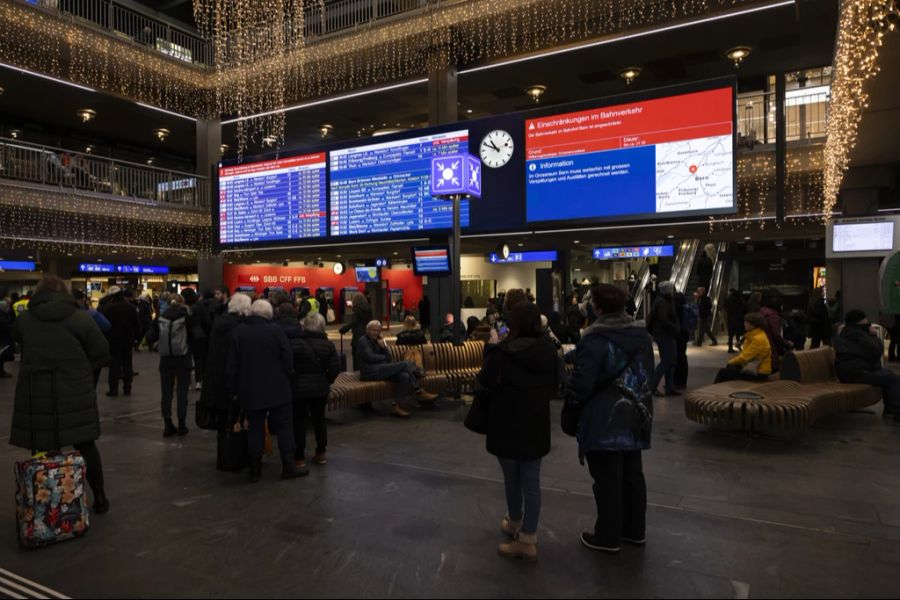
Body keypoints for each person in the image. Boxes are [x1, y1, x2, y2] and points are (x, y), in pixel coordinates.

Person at [10, 276, 111, 514]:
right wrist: (82, 370)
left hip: (37, 391)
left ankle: (46, 501)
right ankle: (99, 496)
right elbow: (102, 351)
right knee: (86, 444)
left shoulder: (25, 319)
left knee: (42, 446)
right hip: (74, 391)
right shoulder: (80, 318)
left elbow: (17, 341)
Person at [565, 284, 653, 554]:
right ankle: (635, 531)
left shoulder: (595, 339)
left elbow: (583, 384)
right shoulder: (642, 335)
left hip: (604, 419)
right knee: (632, 476)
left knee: (607, 480)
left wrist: (571, 406)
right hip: (636, 413)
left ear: (597, 308)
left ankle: (608, 536)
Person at [478, 301, 561, 562]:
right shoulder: (548, 350)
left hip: (506, 421)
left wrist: (490, 347)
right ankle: (528, 537)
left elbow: (486, 380)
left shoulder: (503, 352)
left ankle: (514, 521)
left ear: (513, 324)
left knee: (512, 478)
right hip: (535, 421)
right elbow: (557, 382)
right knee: (532, 481)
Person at [226, 299, 306, 482]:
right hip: (278, 387)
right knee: (285, 426)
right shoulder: (276, 330)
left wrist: (234, 389)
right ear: (269, 314)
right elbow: (287, 356)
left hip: (250, 389)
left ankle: (255, 469)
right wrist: (288, 373)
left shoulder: (239, 332)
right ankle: (288, 466)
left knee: (255, 427)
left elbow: (232, 365)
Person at [356, 320, 438, 418]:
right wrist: (384, 357)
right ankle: (417, 389)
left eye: (378, 331)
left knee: (404, 376)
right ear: (367, 330)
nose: (376, 333)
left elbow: (389, 357)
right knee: (405, 364)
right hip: (369, 372)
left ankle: (396, 406)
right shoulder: (363, 341)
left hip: (381, 370)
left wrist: (383, 346)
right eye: (374, 330)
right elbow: (370, 358)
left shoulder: (377, 341)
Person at [292, 312, 341, 468]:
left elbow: (290, 365)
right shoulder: (328, 345)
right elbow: (335, 368)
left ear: (305, 326)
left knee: (299, 422)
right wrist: (327, 380)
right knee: (319, 421)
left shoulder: (297, 343)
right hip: (320, 389)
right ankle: (321, 453)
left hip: (299, 389)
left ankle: (299, 458)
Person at [835, 310, 899, 421]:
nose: (867, 323)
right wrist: (873, 336)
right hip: (855, 373)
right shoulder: (858, 334)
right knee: (892, 378)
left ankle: (891, 409)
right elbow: (877, 350)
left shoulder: (848, 332)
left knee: (889, 375)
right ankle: (894, 411)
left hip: (853, 371)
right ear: (860, 321)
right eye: (865, 321)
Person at [200, 293, 250, 434]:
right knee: (234, 424)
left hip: (216, 381)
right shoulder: (240, 327)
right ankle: (233, 454)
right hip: (232, 382)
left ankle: (222, 455)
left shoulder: (219, 323)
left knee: (222, 427)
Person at [146, 294, 193, 437]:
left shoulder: (161, 317)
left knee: (166, 393)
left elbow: (149, 337)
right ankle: (181, 425)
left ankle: (167, 424)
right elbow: (196, 336)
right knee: (182, 392)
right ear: (182, 303)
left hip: (165, 359)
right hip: (183, 359)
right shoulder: (187, 317)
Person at [100, 286, 140, 397]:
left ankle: (113, 390)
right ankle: (127, 388)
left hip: (113, 340)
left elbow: (104, 325)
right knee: (127, 364)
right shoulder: (131, 307)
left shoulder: (107, 308)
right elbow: (137, 325)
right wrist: (136, 338)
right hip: (127, 339)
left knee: (114, 365)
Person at [713, 313, 772, 383]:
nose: (744, 324)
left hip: (758, 372)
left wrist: (730, 362)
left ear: (753, 325)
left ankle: (713, 391)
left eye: (746, 322)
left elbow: (745, 357)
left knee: (723, 372)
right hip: (756, 369)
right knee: (731, 370)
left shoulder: (758, 339)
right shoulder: (755, 335)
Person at [647, 281, 680, 397]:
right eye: (672, 289)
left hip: (666, 334)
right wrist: (675, 327)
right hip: (665, 335)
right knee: (666, 361)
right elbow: (663, 318)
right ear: (667, 290)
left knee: (671, 361)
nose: (673, 291)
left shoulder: (664, 300)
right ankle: (653, 387)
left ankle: (670, 387)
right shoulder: (663, 302)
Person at [73, 289, 111, 387]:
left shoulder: (63, 314)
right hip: (90, 355)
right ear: (82, 300)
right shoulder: (91, 313)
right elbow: (106, 325)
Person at [183, 289, 211, 392]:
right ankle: (199, 381)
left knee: (187, 359)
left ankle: (188, 382)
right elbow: (207, 321)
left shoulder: (183, 308)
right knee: (199, 359)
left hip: (186, 336)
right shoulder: (200, 306)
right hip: (199, 336)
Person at [339, 293, 373, 370]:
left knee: (356, 356)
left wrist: (344, 329)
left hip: (358, 336)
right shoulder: (369, 308)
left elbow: (353, 322)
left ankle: (356, 373)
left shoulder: (357, 310)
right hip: (367, 334)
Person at [760, 296, 792, 373]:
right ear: (779, 306)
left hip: (762, 342)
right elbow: (776, 335)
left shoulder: (762, 312)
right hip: (770, 344)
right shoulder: (774, 317)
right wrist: (787, 344)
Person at [673, 291, 693, 391]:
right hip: (685, 334)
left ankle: (676, 381)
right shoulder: (686, 308)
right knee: (683, 357)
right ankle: (682, 382)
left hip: (678, 335)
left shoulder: (677, 308)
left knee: (677, 358)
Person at [725, 289, 746, 354]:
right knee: (738, 333)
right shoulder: (739, 299)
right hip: (737, 318)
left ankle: (730, 348)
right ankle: (738, 345)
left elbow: (725, 306)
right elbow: (743, 307)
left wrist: (728, 312)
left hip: (730, 318)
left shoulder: (728, 299)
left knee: (731, 334)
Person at [0, 300, 13, 378]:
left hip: (3, 338)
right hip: (2, 338)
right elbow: (7, 326)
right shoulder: (2, 316)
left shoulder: (4, 315)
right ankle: (1, 372)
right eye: (7, 306)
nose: (8, 308)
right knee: (2, 357)